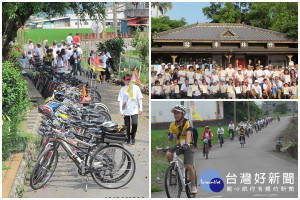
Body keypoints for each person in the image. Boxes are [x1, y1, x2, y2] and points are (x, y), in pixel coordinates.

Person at [167, 105, 197, 194]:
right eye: (174, 113)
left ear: (183, 114)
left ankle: (193, 185)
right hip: (179, 145)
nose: (176, 115)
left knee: (189, 166)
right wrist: (171, 136)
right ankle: (174, 172)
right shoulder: (172, 125)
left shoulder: (188, 122)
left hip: (188, 145)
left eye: (178, 113)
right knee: (169, 154)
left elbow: (188, 134)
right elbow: (169, 138)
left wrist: (187, 143)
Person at [118, 74, 143, 145]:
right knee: (127, 125)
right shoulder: (122, 89)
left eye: (129, 79)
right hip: (126, 108)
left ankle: (133, 136)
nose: (128, 81)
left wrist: (141, 108)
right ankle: (128, 138)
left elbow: (140, 98)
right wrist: (121, 110)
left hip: (134, 108)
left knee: (135, 123)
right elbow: (121, 100)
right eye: (127, 80)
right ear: (124, 80)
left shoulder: (136, 88)